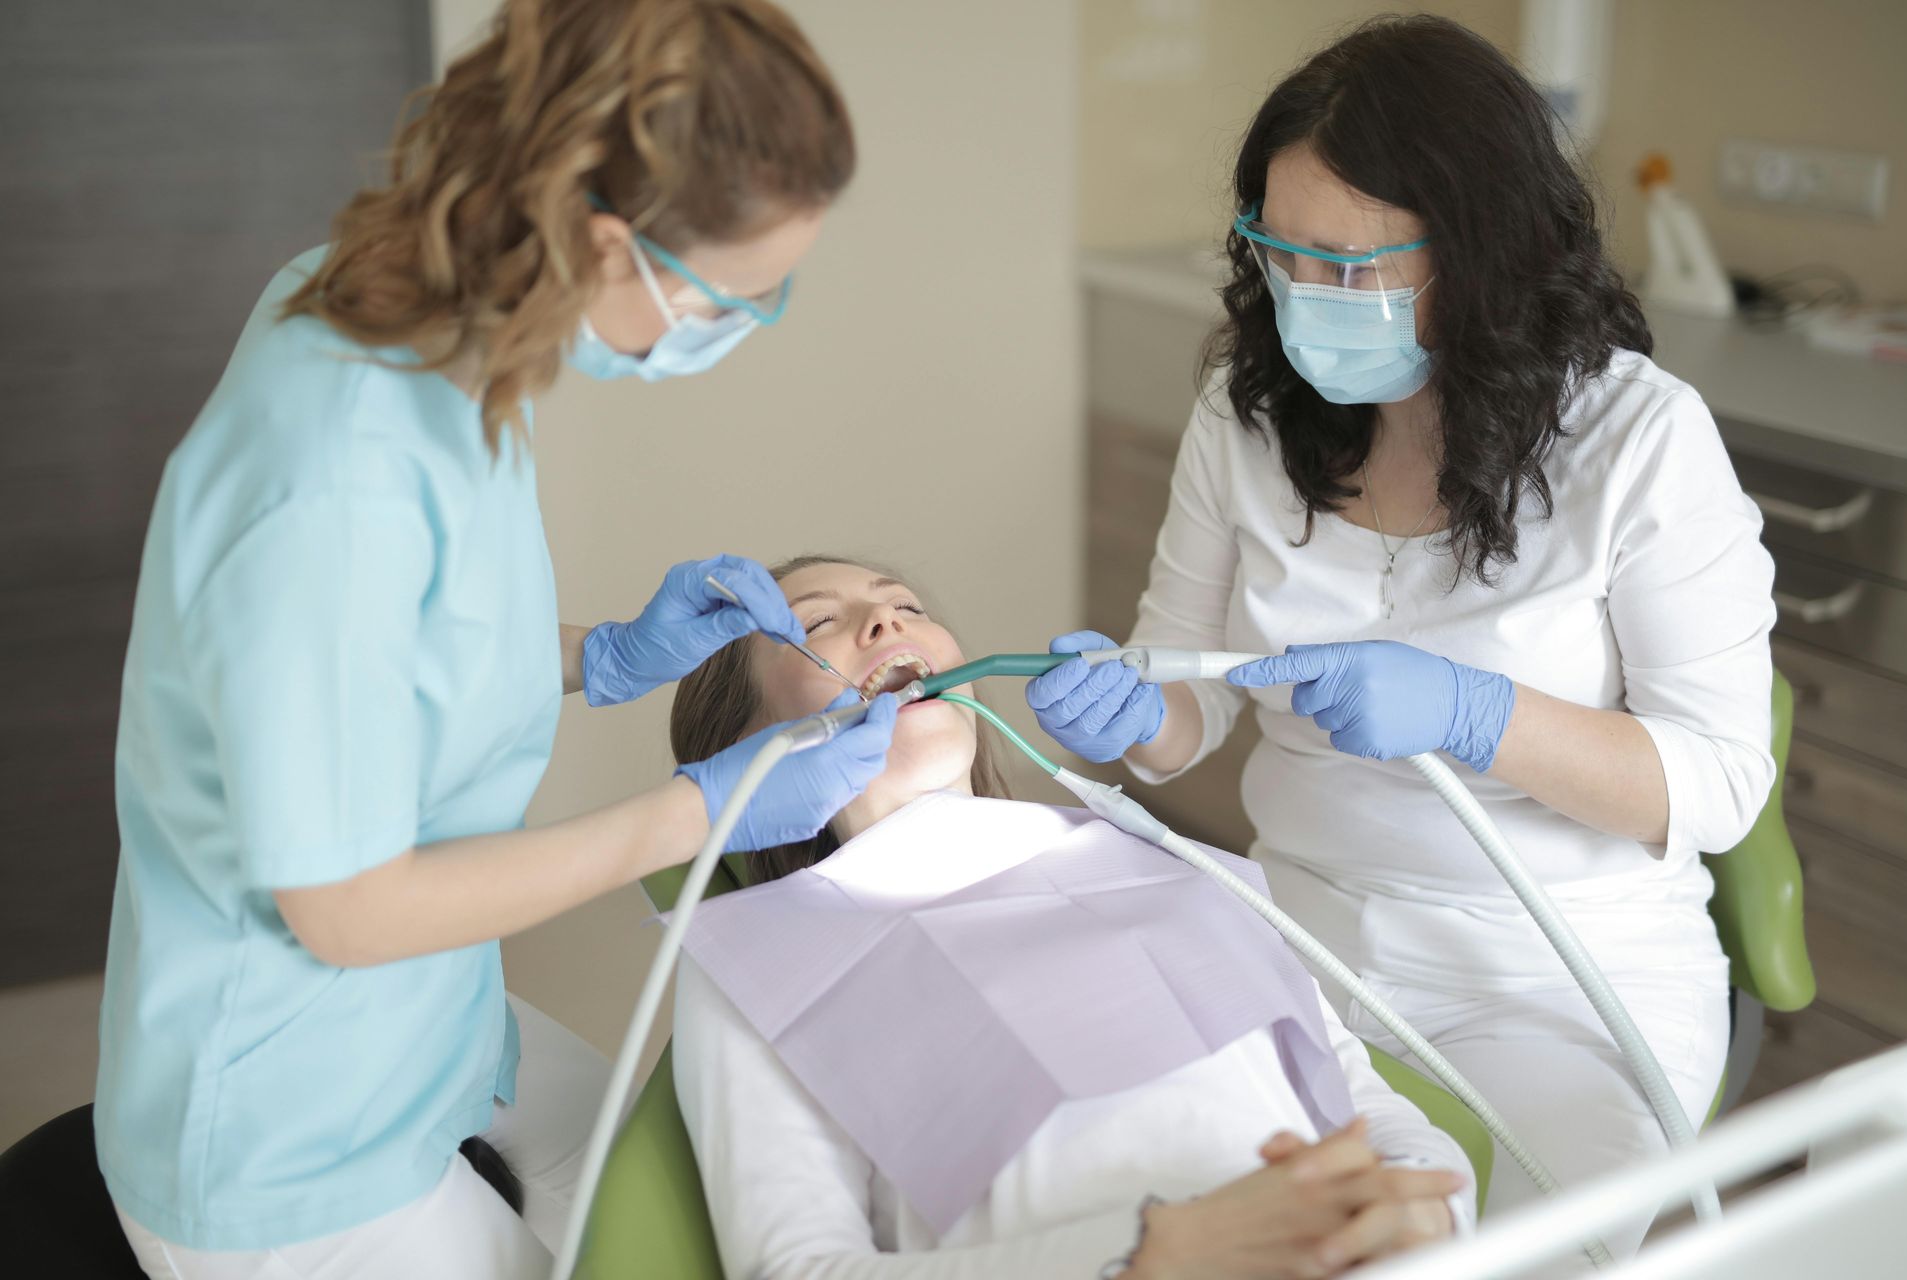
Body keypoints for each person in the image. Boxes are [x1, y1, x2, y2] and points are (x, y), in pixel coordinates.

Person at [94, 3, 896, 1277]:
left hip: (429, 1019)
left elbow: (393, 654)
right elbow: (345, 907)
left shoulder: (448, 335)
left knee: (678, 1185)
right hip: (291, 1124)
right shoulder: (332, 471)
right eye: (731, 297)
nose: (742, 324)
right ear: (601, 242)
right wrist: (697, 809)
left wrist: (597, 653)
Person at [1026, 15, 1773, 1258]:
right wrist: (1130, 710)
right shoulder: (1248, 412)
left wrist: (1478, 714)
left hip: (1564, 980)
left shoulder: (1638, 439)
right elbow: (1184, 699)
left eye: (1352, 267)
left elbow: (1723, 781)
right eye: (1281, 254)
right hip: (1303, 949)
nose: (1309, 300)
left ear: (1482, 252)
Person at [667, 557, 1475, 1280]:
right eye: (816, 622)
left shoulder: (1158, 858)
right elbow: (794, 1267)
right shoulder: (757, 961)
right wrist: (1147, 1256)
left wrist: (1430, 1210)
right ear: (744, 744)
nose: (886, 623)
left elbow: (1364, 1099)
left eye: (906, 605)